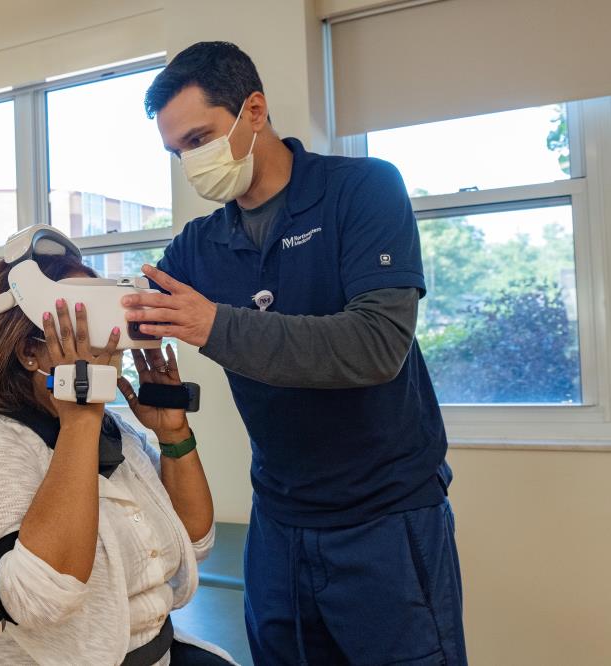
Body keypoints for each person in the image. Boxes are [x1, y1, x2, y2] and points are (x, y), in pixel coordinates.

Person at [122, 42, 466, 665]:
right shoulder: (202, 244)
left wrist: (214, 324)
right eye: (177, 153)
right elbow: (132, 315)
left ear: (254, 110)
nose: (191, 164)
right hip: (280, 520)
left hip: (385, 516)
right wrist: (46, 302)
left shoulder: (361, 190)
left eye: (199, 139)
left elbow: (375, 345)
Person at [0, 254, 235, 665]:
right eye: (80, 328)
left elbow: (193, 543)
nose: (105, 346)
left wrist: (173, 434)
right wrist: (82, 414)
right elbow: (38, 598)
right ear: (29, 351)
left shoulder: (113, 433)